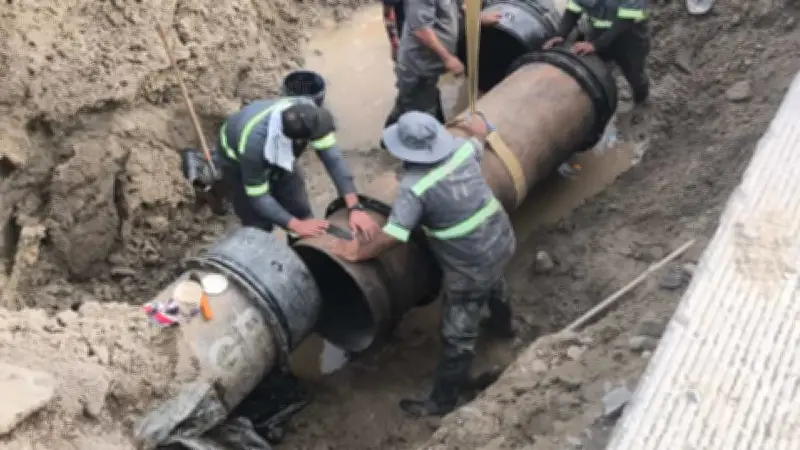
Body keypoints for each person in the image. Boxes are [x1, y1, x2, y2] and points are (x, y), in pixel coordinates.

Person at [332, 111, 516, 418]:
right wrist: (483, 128)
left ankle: (443, 402)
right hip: (500, 237)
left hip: (469, 266)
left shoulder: (414, 188)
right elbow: (479, 141)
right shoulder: (461, 148)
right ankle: (504, 326)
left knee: (458, 333)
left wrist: (357, 252)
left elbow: (394, 234)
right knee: (495, 280)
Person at [216, 96, 380, 243]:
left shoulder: (308, 115)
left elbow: (334, 161)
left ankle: (301, 247)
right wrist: (295, 225)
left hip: (279, 145)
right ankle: (263, 243)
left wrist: (355, 207)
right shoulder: (253, 146)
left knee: (298, 205)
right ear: (298, 140)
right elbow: (258, 197)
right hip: (236, 161)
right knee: (257, 221)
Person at [384, 0, 502, 127]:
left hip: (430, 66)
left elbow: (459, 7)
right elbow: (420, 30)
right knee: (414, 108)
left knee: (421, 105)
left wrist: (479, 18)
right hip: (418, 66)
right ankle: (390, 137)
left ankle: (398, 133)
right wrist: (448, 58)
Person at [542, 0, 650, 106]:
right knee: (591, 75)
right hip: (597, 37)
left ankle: (641, 100)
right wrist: (561, 34)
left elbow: (625, 22)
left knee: (635, 76)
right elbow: (573, 10)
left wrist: (595, 45)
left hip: (630, 41)